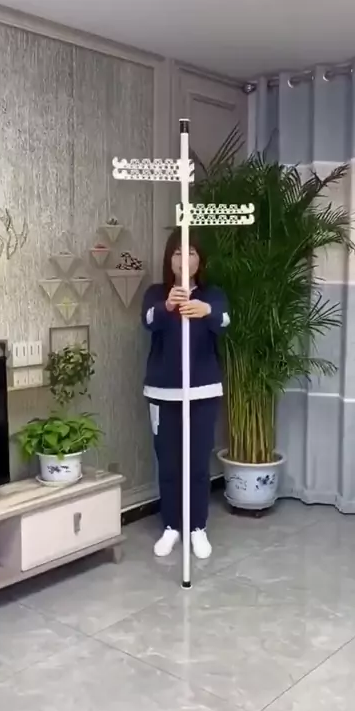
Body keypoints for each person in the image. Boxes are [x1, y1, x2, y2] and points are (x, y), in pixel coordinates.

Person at [141, 227, 229, 559]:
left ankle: (197, 528)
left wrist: (207, 311)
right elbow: (148, 320)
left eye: (190, 252)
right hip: (163, 394)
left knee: (198, 463)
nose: (184, 259)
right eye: (178, 252)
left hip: (203, 392)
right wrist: (167, 306)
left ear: (199, 260)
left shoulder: (213, 295)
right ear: (170, 259)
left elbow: (225, 321)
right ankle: (171, 527)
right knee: (168, 462)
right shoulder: (156, 294)